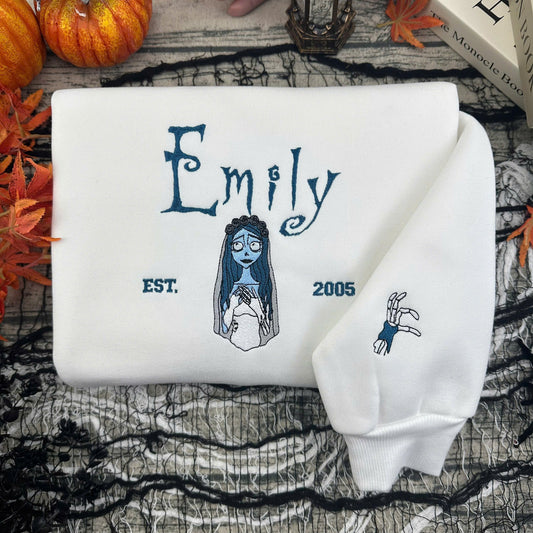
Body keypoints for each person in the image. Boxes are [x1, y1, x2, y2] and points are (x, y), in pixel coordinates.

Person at [213, 215, 279, 351]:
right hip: (232, 342)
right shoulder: (228, 286)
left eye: (254, 245)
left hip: (258, 343)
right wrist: (231, 307)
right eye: (238, 245)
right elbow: (223, 329)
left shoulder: (264, 286)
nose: (246, 253)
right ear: (230, 248)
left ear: (263, 247)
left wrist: (258, 309)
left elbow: (268, 331)